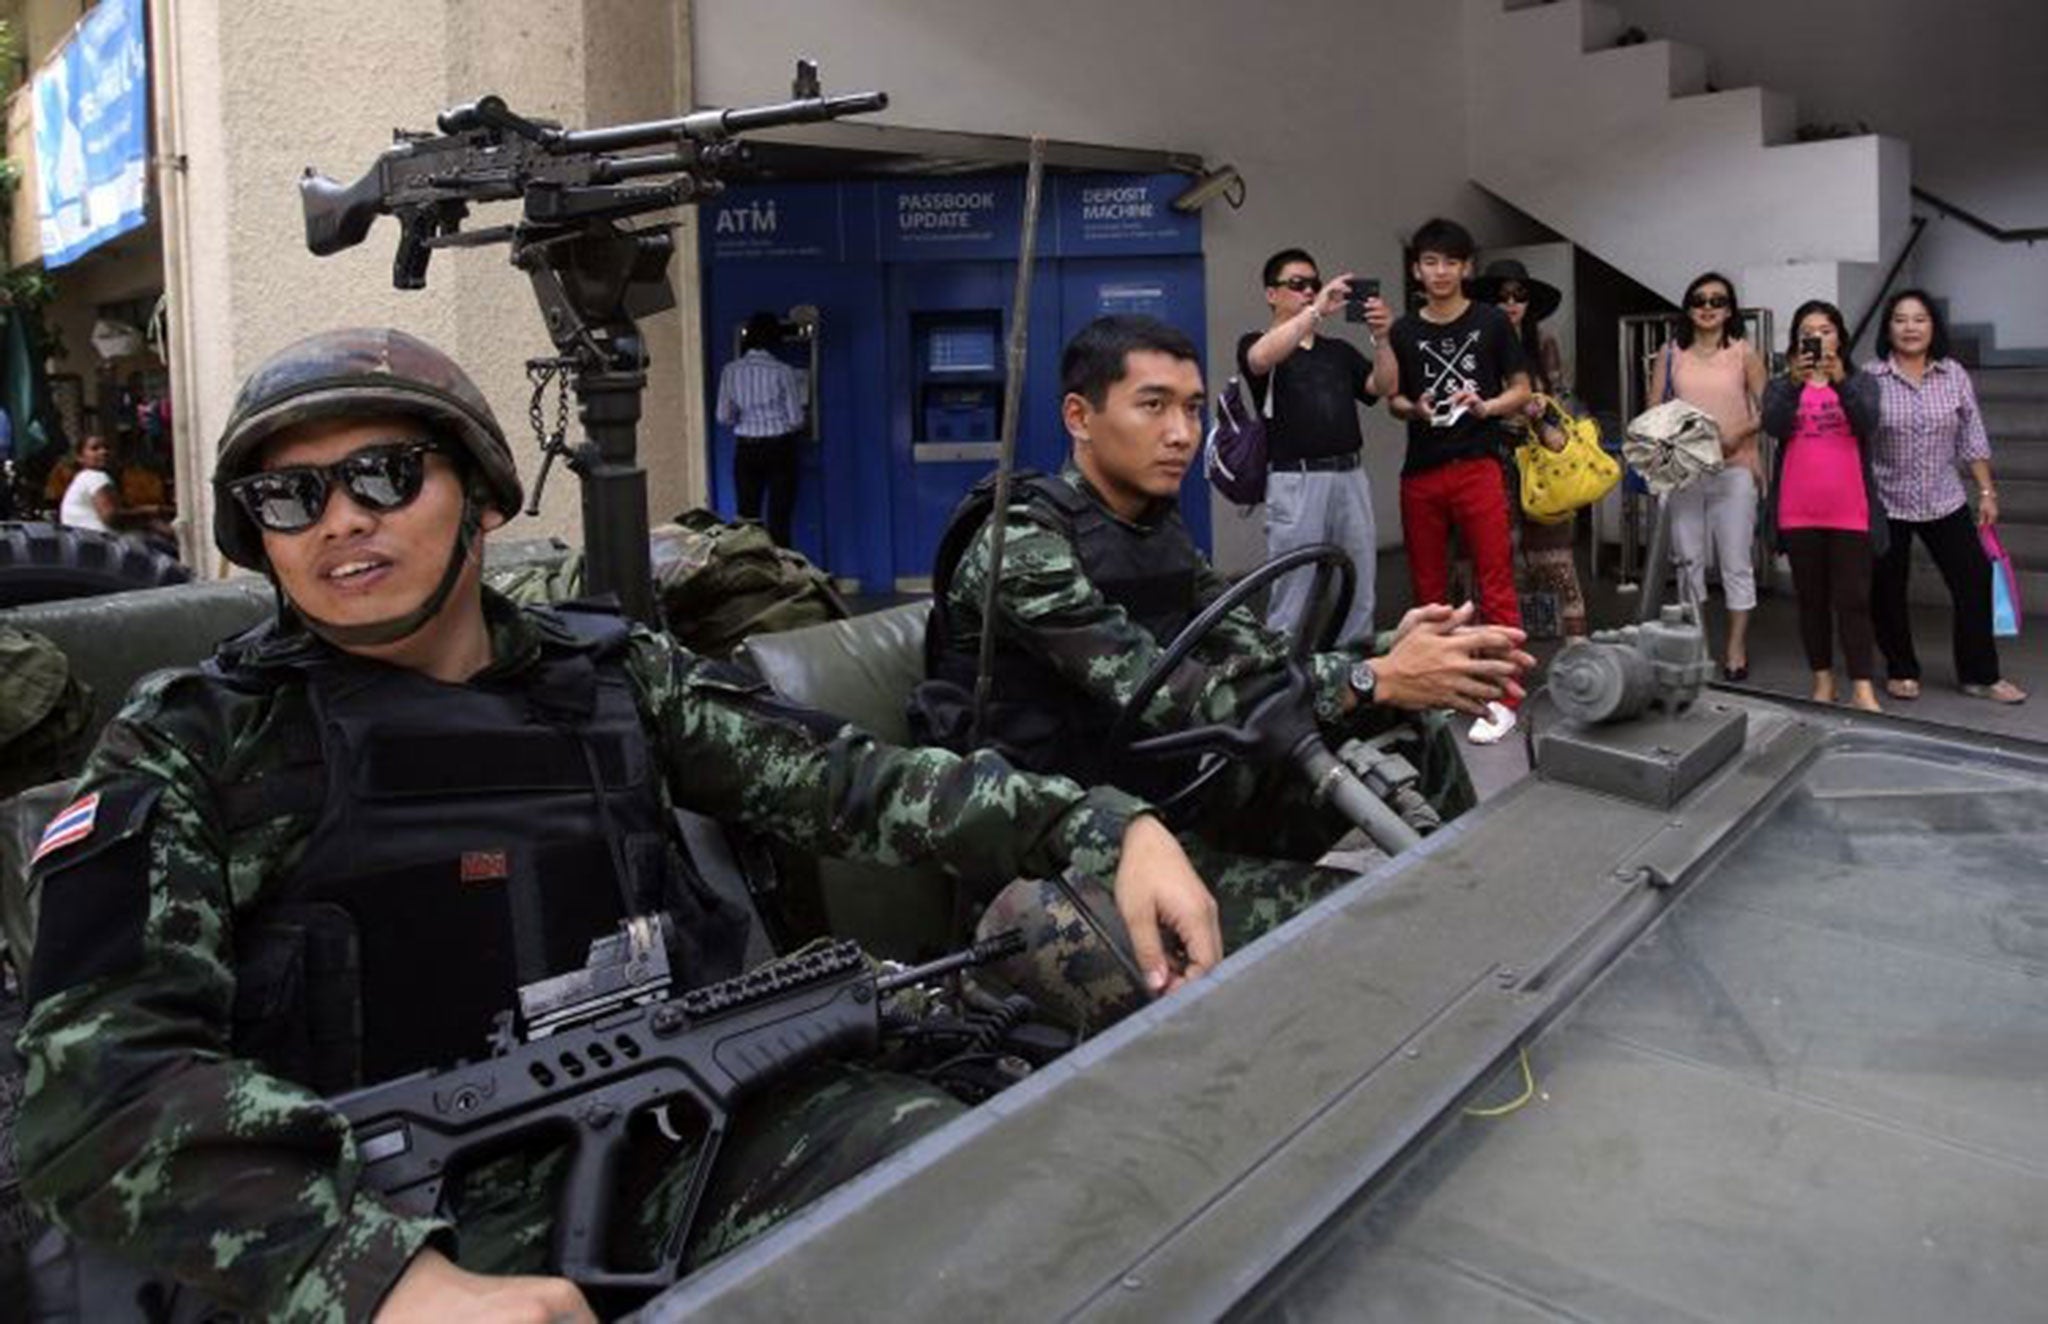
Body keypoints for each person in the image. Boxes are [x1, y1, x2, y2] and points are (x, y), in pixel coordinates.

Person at [15, 328, 1224, 1321]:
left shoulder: (609, 678)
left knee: (967, 1192)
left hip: (669, 1128)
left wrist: (1101, 826)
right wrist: (381, 1277)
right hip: (356, 1219)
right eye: (290, 495)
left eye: (384, 475)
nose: (340, 520)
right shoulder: (187, 743)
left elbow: (852, 782)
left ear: (480, 497)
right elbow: (94, 1086)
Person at [914, 315, 1533, 1020]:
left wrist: (1388, 654)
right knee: (1382, 919)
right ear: (1079, 417)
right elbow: (1165, 693)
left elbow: (1259, 659)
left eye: (1193, 408)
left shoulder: (1155, 530)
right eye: (1154, 406)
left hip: (1177, 799)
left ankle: (1488, 920)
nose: (1182, 433)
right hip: (1074, 850)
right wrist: (1368, 679)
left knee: (1406, 729)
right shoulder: (1021, 545)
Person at [1385, 219, 1532, 743]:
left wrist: (1484, 406)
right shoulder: (1403, 330)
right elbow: (1393, 399)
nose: (1440, 271)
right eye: (1430, 261)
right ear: (1416, 268)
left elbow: (1522, 389)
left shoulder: (1491, 322)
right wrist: (1415, 408)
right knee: (1427, 591)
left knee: (1495, 582)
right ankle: (1435, 691)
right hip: (1421, 471)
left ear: (1466, 266)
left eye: (1450, 261)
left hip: (1478, 464)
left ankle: (1505, 695)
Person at [1864, 289, 2026, 704]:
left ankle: (1979, 675)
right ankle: (1901, 669)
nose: (1910, 327)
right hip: (1886, 502)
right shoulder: (1870, 378)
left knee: (1973, 580)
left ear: (1933, 326)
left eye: (1919, 319)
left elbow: (1972, 435)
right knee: (1887, 589)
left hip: (1944, 499)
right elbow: (1855, 441)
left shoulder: (1953, 374)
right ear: (1888, 328)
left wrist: (1986, 490)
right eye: (1900, 319)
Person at [1238, 248, 1396, 647]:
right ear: (1271, 294)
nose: (1309, 291)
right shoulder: (1259, 343)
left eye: (1313, 284)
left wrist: (1382, 339)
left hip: (1350, 476)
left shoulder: (1338, 351)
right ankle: (1281, 686)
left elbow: (1384, 387)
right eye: (1297, 284)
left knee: (1359, 586)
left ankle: (1352, 682)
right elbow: (1259, 360)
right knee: (1294, 591)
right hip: (1297, 479)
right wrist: (1316, 312)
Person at [1762, 301, 1886, 712]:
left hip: (1850, 510)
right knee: (1811, 600)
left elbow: (1868, 422)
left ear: (1840, 337)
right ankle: (1823, 682)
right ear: (1797, 341)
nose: (1818, 337)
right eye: (1808, 330)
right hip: (1798, 511)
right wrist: (1796, 385)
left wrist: (1841, 381)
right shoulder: (1781, 384)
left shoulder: (1863, 380)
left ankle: (1863, 687)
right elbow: (1773, 426)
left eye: (1826, 329)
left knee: (1853, 600)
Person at [1647, 272, 1768, 680]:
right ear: (1688, 306)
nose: (1708, 307)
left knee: (1736, 562)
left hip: (1735, 470)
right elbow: (1654, 415)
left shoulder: (1743, 353)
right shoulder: (1671, 353)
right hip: (1686, 473)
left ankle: (1736, 647)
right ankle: (1694, 644)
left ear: (1730, 309)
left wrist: (1738, 434)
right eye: (1700, 299)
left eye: (1718, 300)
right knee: (1688, 562)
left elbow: (1770, 411)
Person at [1474, 258, 1588, 639]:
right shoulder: (1474, 343)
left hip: (1540, 459)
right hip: (1490, 454)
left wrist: (1545, 418)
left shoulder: (1542, 344)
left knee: (1553, 550)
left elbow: (1561, 400)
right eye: (1501, 295)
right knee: (1493, 551)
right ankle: (1498, 642)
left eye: (1519, 296)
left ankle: (1575, 645)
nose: (1511, 303)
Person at [715, 310, 806, 546]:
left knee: (748, 520)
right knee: (780, 518)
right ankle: (783, 574)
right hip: (780, 449)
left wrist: (746, 417)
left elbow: (723, 416)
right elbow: (796, 419)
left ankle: (753, 573)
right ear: (774, 340)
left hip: (747, 450)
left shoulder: (730, 371)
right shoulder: (783, 371)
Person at [55, 432, 174, 540]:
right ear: (80, 457)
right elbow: (112, 517)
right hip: (104, 545)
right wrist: (152, 511)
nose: (103, 452)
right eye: (95, 449)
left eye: (107, 448)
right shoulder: (94, 477)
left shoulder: (83, 478)